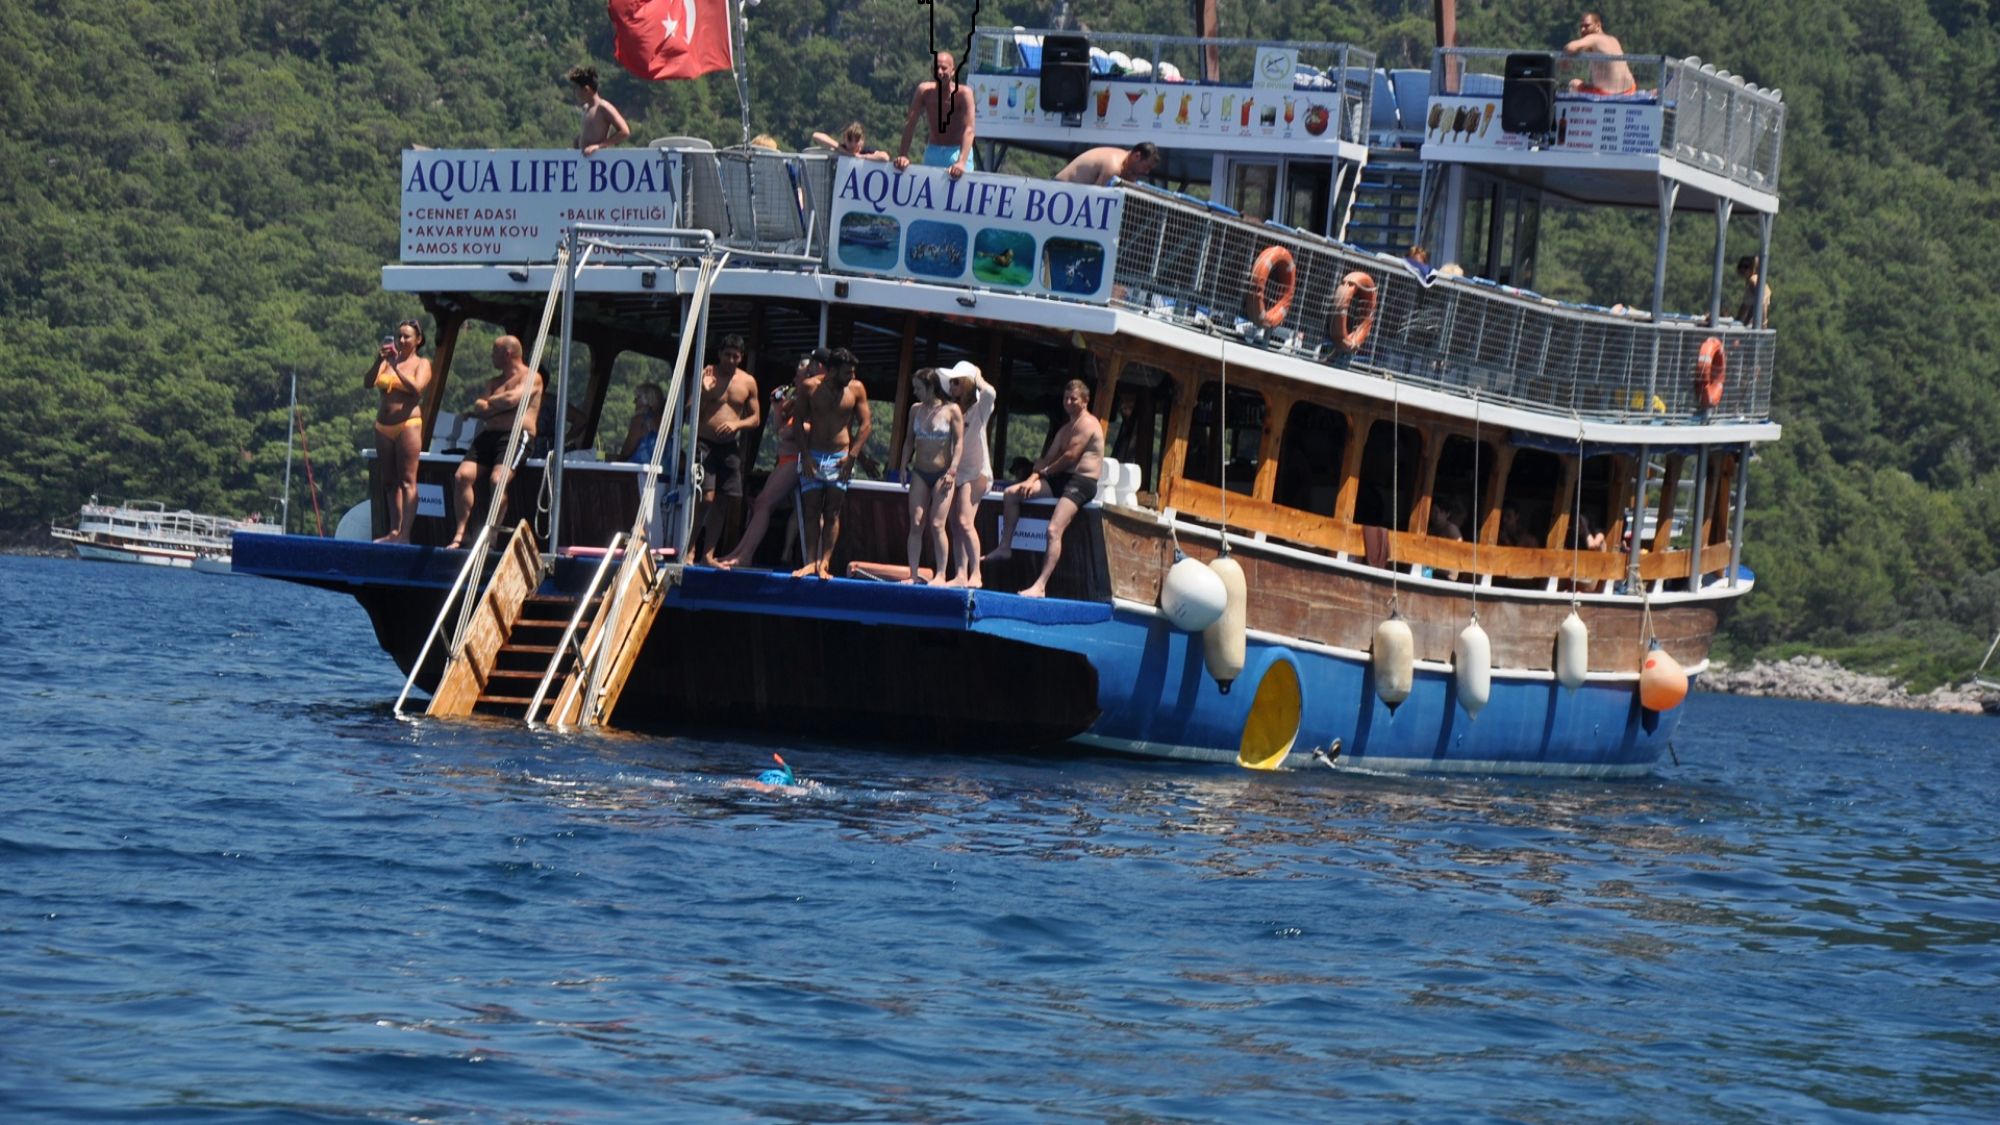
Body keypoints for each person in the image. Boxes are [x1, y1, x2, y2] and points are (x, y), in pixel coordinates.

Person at [983, 379, 1104, 598]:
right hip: (1060, 479)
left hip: (1082, 482)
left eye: (1073, 399)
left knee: (1053, 530)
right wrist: (1031, 479)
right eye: (1065, 398)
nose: (1068, 402)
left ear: (1085, 401)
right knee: (1011, 494)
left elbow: (1070, 457)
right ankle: (1005, 547)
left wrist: (1046, 472)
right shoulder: (1065, 429)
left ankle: (1040, 586)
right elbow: (1046, 458)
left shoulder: (1089, 424)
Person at [445, 335, 541, 549]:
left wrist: (490, 403)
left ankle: (492, 536)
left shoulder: (532, 378)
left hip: (516, 436)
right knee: (462, 476)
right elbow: (480, 406)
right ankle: (462, 533)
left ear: (507, 354)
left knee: (498, 481)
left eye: (494, 352)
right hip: (489, 436)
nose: (491, 356)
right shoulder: (493, 382)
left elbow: (512, 400)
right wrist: (491, 405)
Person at [717, 355, 811, 569]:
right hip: (784, 458)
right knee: (760, 503)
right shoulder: (796, 399)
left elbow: (811, 430)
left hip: (796, 460)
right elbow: (780, 428)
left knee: (764, 503)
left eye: (800, 375)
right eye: (795, 374)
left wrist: (791, 430)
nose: (795, 378)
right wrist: (777, 408)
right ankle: (739, 551)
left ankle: (745, 555)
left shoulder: (813, 400)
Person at [793, 348, 871, 579]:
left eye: (854, 373)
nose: (851, 377)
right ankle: (810, 561)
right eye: (847, 373)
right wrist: (805, 456)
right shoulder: (809, 387)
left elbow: (866, 424)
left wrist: (852, 456)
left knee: (832, 512)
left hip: (840, 458)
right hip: (813, 455)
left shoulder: (856, 389)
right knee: (811, 510)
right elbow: (797, 422)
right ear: (833, 370)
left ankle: (824, 563)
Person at [694, 336, 760, 567]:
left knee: (723, 501)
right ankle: (690, 550)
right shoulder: (708, 375)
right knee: (706, 498)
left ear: (741, 357)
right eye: (727, 355)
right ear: (719, 354)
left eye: (736, 356)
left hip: (729, 447)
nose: (731, 360)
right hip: (704, 443)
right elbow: (688, 410)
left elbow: (755, 418)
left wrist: (736, 424)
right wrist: (703, 391)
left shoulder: (748, 382)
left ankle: (708, 555)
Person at [365, 319, 432, 544]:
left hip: (408, 424)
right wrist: (379, 360)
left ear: (418, 340)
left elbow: (416, 389)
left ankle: (405, 533)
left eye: (407, 337)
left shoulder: (422, 363)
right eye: (399, 336)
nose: (402, 340)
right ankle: (394, 530)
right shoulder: (387, 361)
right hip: (383, 426)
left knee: (407, 481)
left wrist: (395, 368)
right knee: (389, 481)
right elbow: (368, 382)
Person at [902, 368, 963, 585]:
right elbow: (909, 440)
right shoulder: (915, 409)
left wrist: (953, 470)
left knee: (937, 524)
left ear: (930, 387)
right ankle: (913, 574)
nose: (915, 392)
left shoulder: (951, 410)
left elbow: (959, 444)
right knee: (916, 521)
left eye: (918, 388)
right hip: (919, 471)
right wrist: (903, 466)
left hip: (942, 474)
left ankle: (941, 574)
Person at [940, 360, 996, 588]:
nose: (951, 387)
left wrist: (978, 377)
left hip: (977, 472)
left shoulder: (980, 408)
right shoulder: (953, 410)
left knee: (965, 521)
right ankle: (961, 574)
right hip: (958, 472)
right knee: (954, 522)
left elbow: (990, 392)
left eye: (956, 382)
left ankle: (977, 574)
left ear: (965, 383)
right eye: (950, 382)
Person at [894, 51, 976, 178]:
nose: (939, 72)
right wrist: (903, 155)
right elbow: (910, 123)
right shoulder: (924, 91)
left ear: (953, 71)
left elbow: (969, 130)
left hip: (957, 152)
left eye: (944, 68)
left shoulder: (964, 94)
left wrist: (961, 162)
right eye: (936, 68)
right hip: (933, 152)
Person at [1563, 12, 1636, 95]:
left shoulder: (1593, 37)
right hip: (1630, 90)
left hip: (1607, 93)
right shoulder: (1612, 39)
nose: (1582, 29)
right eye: (1581, 26)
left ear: (1598, 26)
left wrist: (1565, 59)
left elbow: (1570, 47)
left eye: (1587, 26)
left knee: (1574, 83)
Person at [569, 65, 630, 155]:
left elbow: (625, 131)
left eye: (577, 89)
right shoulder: (586, 108)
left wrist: (599, 146)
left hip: (599, 161)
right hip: (585, 160)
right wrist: (579, 140)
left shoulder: (603, 107)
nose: (575, 93)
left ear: (586, 89)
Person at [1052, 142, 1161, 187]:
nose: (1146, 172)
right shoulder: (1113, 167)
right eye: (1146, 167)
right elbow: (1097, 201)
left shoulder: (1125, 160)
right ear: (1137, 156)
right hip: (1059, 190)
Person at [615, 383, 666, 463]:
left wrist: (616, 462)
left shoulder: (640, 420)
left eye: (637, 398)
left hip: (640, 472)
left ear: (648, 400)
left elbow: (627, 451)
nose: (634, 402)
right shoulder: (665, 420)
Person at [811, 121, 890, 162]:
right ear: (844, 138)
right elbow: (816, 136)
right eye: (850, 140)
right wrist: (841, 149)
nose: (853, 144)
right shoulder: (841, 149)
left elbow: (885, 157)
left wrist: (862, 157)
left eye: (857, 140)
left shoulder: (866, 151)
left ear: (862, 140)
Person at [1734, 255, 1771, 326]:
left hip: (1756, 321)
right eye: (1741, 266)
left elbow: (1759, 301)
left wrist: (1764, 322)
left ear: (1752, 268)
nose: (1743, 269)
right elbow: (1745, 306)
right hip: (1755, 320)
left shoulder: (1753, 280)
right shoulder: (1749, 282)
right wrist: (1738, 320)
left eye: (1746, 267)